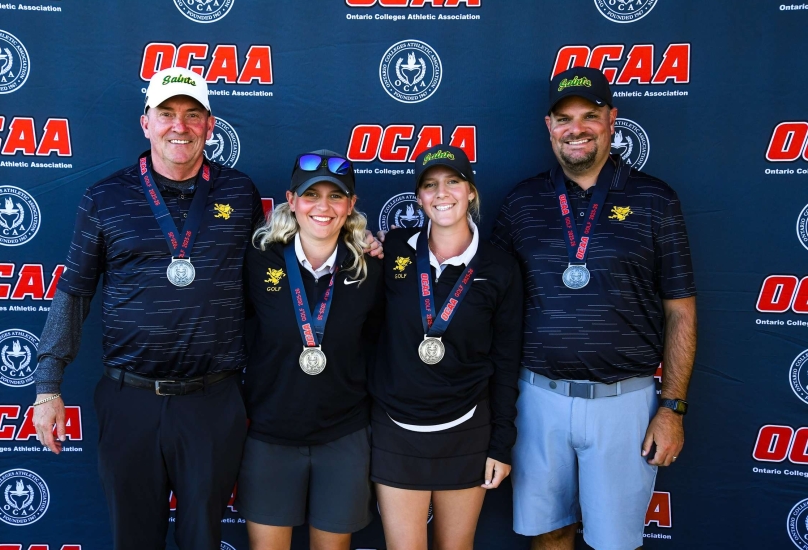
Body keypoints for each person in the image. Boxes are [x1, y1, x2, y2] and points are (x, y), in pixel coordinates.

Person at [30, 67, 264, 550]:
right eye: (167, 114)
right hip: (129, 398)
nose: (179, 126)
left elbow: (289, 258)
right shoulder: (105, 197)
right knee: (134, 539)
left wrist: (359, 242)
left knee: (203, 539)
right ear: (146, 123)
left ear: (210, 125)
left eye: (192, 115)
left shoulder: (240, 194)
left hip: (212, 400)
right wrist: (47, 386)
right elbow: (74, 292)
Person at [491, 67, 697, 550]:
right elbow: (485, 292)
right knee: (549, 533)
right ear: (549, 126)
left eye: (589, 116)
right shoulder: (522, 202)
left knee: (614, 542)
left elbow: (681, 312)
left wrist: (672, 407)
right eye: (564, 119)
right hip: (537, 398)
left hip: (624, 403)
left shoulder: (655, 199)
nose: (576, 129)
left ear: (611, 120)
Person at [370, 144, 523, 550]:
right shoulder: (393, 250)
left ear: (470, 191)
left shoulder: (499, 267)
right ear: (418, 197)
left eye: (453, 182)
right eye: (430, 185)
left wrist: (501, 444)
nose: (442, 193)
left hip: (468, 428)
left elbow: (506, 362)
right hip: (396, 427)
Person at [237, 150, 384, 550]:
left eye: (336, 196)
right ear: (292, 200)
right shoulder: (258, 259)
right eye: (310, 195)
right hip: (270, 435)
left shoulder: (370, 267)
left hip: (343, 436)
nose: (323, 207)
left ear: (351, 205)